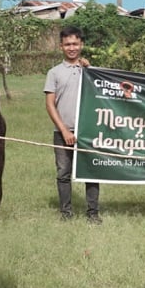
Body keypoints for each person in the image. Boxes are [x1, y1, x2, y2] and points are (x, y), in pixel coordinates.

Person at [45, 26, 101, 224]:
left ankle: (93, 213)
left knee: (91, 171)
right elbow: (50, 104)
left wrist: (89, 68)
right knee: (63, 173)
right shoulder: (54, 73)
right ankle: (66, 213)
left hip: (87, 131)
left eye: (75, 43)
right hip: (62, 132)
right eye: (67, 44)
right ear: (61, 46)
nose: (71, 48)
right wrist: (63, 130)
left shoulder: (89, 71)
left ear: (81, 45)